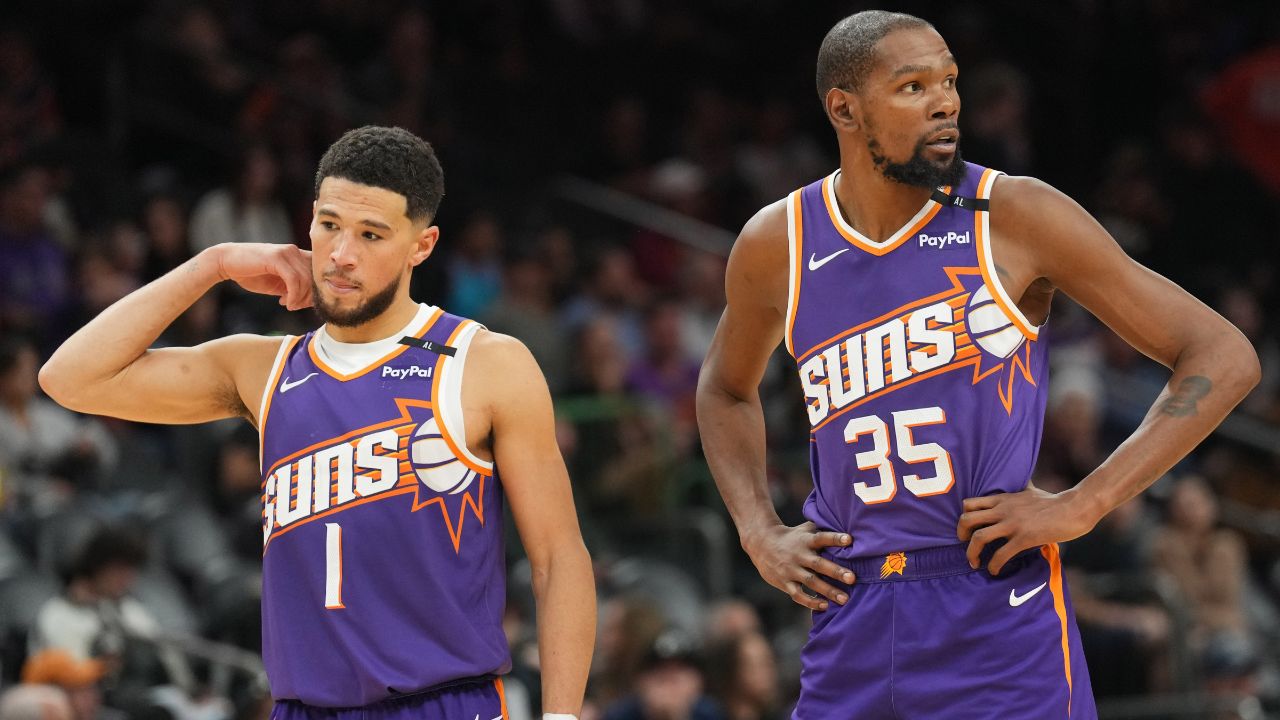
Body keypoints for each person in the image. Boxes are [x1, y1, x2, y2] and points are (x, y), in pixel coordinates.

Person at [695, 11, 1260, 719]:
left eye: (950, 81)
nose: (945, 102)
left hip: (991, 600)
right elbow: (723, 389)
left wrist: (1085, 503)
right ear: (844, 107)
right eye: (912, 86)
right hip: (850, 609)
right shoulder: (779, 242)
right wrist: (756, 530)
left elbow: (1222, 353)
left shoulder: (1013, 215)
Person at [39, 126, 596, 720]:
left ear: (422, 245)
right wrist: (214, 263)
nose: (341, 254)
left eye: (371, 234)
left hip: (441, 704)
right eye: (329, 225)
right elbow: (70, 378)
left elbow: (559, 559)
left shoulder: (484, 362)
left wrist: (560, 717)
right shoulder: (263, 368)